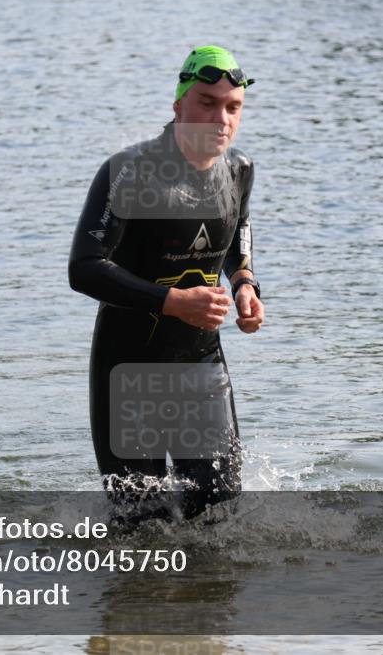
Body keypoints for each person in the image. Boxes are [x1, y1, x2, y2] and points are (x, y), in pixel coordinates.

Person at [68, 45, 264, 519]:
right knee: (143, 528)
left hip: (200, 367)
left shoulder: (238, 171)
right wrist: (172, 301)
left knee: (220, 514)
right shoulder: (130, 173)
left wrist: (244, 282)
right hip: (128, 375)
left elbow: (238, 230)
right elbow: (85, 267)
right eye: (206, 102)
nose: (221, 118)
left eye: (232, 107)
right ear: (178, 105)